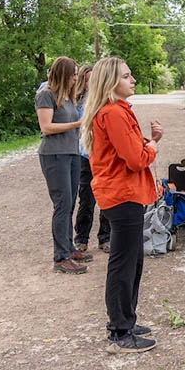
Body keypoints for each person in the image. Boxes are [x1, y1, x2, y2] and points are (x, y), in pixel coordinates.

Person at [81, 57, 162, 354]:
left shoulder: (119, 111)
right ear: (111, 82)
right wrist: (153, 147)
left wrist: (150, 140)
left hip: (127, 193)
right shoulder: (113, 113)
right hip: (121, 193)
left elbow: (132, 149)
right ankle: (119, 330)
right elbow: (136, 158)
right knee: (124, 263)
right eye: (127, 76)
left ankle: (127, 318)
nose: (133, 80)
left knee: (134, 260)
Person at [36, 56, 91, 274]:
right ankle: (60, 257)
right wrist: (78, 124)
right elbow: (46, 127)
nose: (76, 78)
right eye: (74, 74)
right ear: (63, 74)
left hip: (71, 152)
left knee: (69, 204)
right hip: (54, 154)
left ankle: (69, 248)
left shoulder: (68, 97)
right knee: (62, 203)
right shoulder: (45, 95)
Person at [73, 64, 111, 253]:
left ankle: (105, 237)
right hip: (85, 155)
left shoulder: (106, 101)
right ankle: (81, 237)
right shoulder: (77, 101)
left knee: (106, 197)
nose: (90, 83)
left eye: (93, 79)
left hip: (103, 156)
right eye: (87, 80)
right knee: (86, 198)